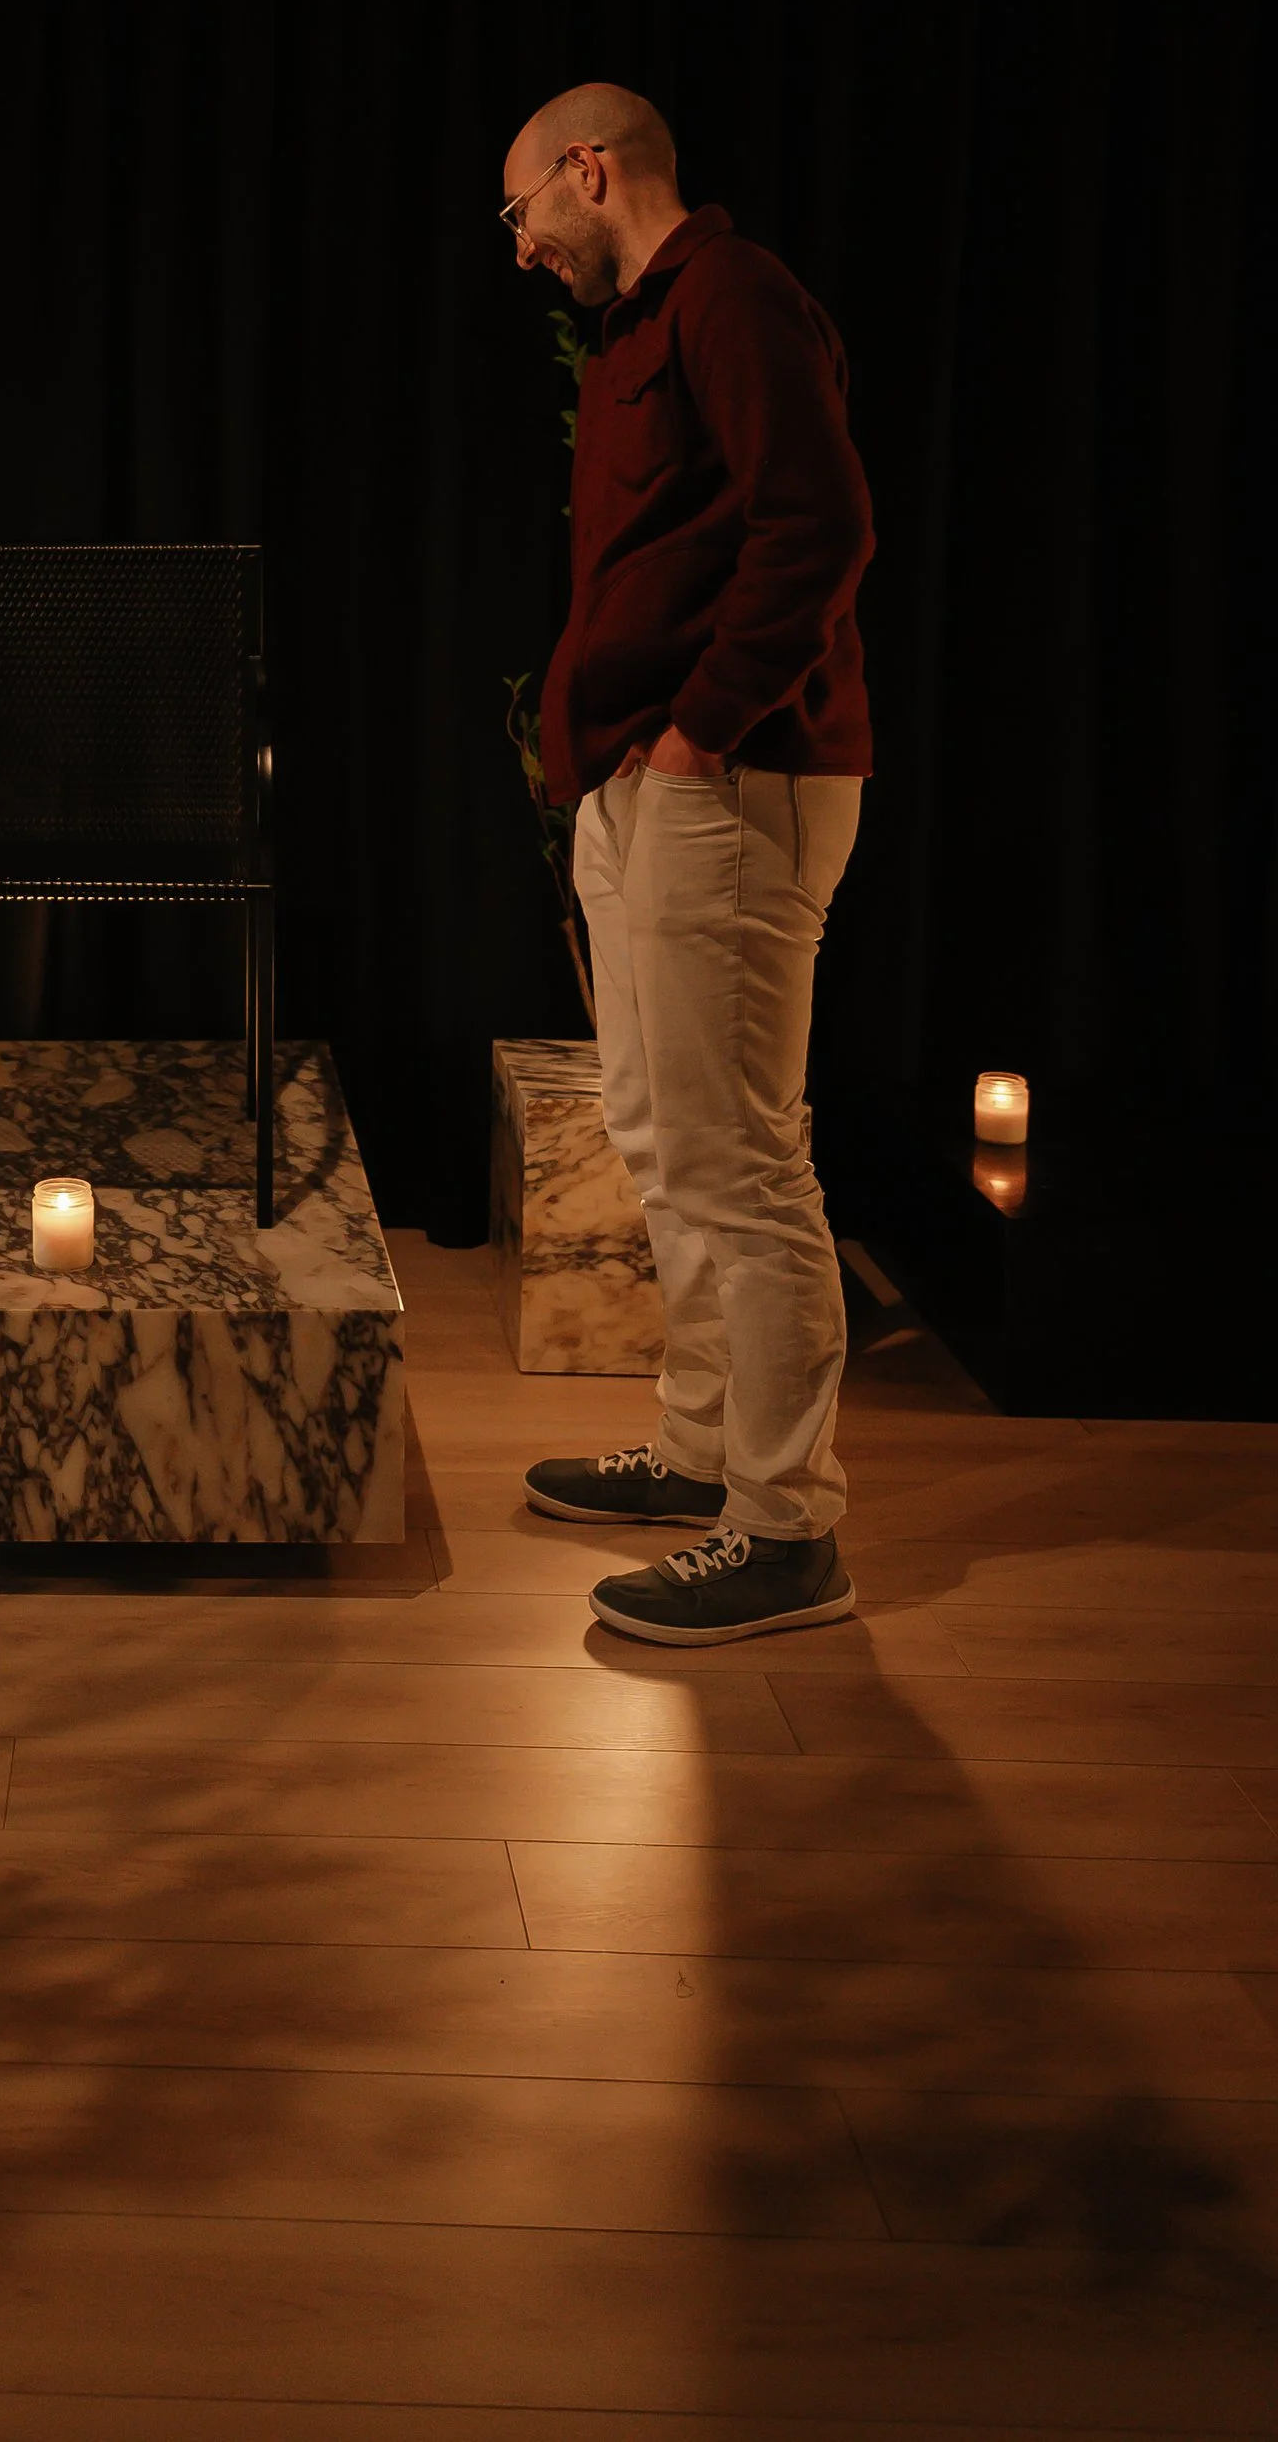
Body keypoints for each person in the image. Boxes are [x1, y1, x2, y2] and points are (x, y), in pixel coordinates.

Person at [501, 85, 873, 1645]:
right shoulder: (650, 325)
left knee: (740, 1162)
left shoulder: (731, 294)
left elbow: (818, 526)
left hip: (728, 782)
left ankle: (788, 1531)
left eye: (524, 212)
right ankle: (706, 1453)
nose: (522, 250)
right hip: (653, 786)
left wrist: (701, 735)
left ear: (592, 170)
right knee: (663, 1136)